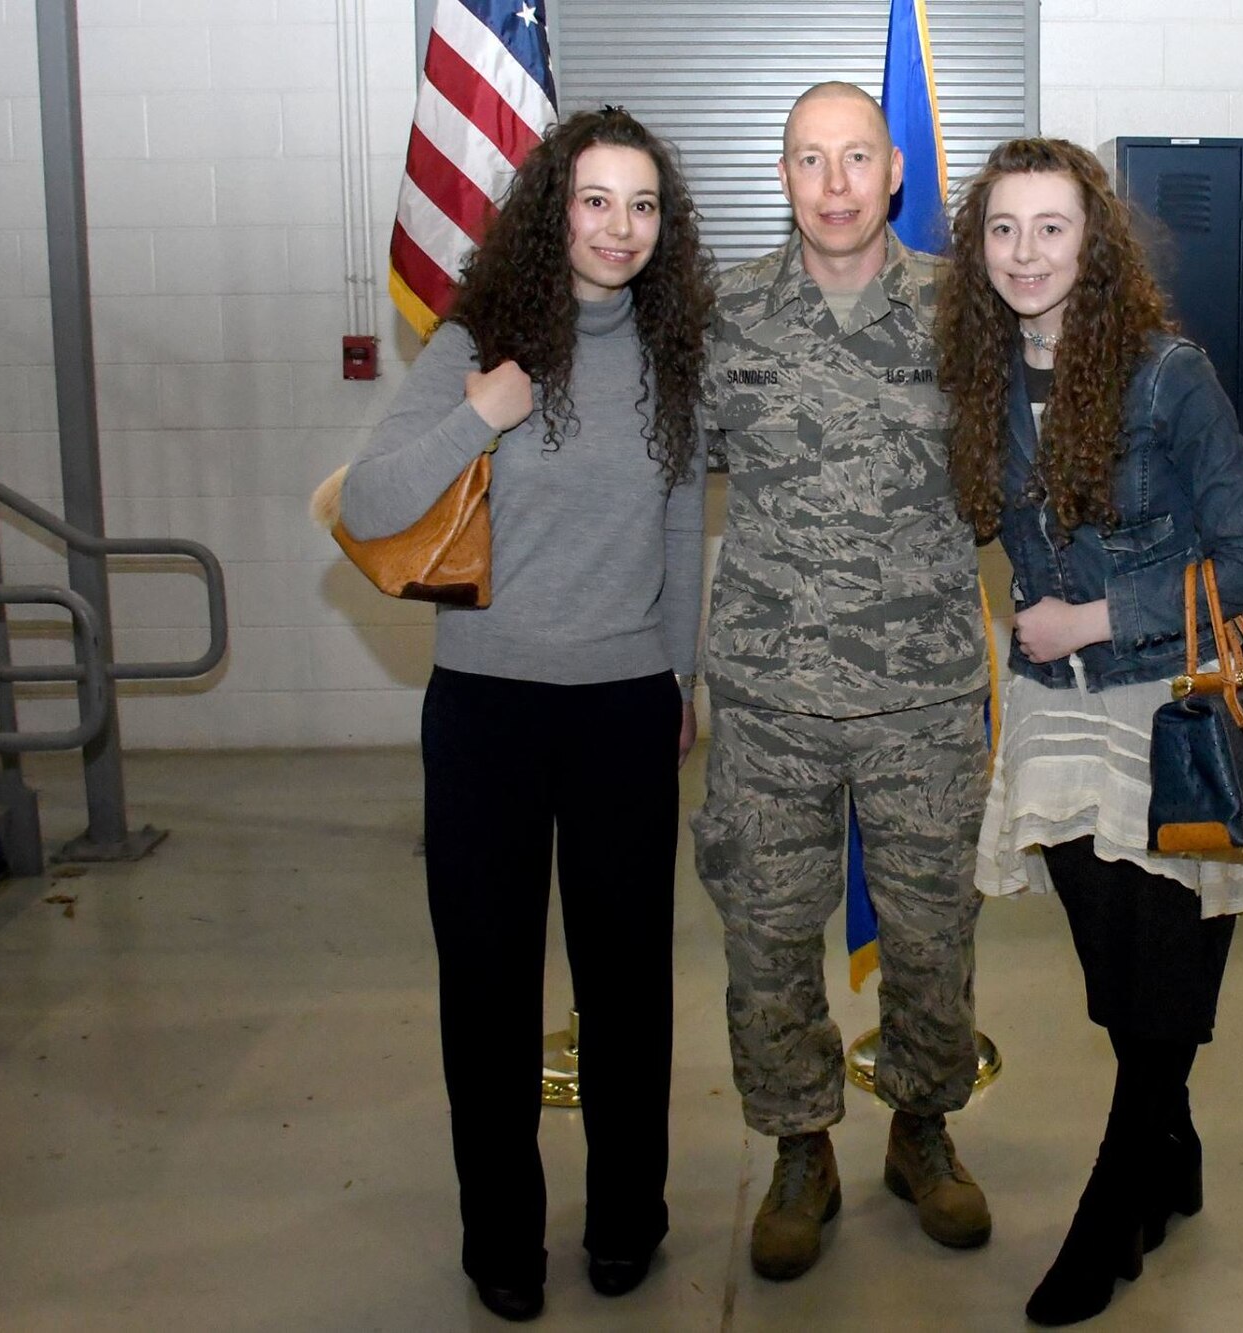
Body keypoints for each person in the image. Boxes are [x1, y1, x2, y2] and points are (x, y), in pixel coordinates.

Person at [339, 108, 712, 1323]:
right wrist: (482, 411)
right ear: (555, 210)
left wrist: (674, 681)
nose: (619, 227)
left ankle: (625, 1219)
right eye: (596, 200)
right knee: (487, 989)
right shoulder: (476, 340)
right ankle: (500, 1239)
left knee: (626, 988)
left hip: (619, 713)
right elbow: (374, 498)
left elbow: (672, 529)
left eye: (642, 205)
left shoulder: (671, 354)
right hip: (487, 712)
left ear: (665, 225)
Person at [938, 137, 1243, 1326]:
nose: (1025, 253)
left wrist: (1094, 609)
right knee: (1117, 981)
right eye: (1002, 229)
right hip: (1051, 719)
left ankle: (1106, 1218)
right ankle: (1169, 1154)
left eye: (1051, 228)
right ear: (977, 245)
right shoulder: (978, 380)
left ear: (1095, 245)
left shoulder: (1162, 374)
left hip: (1166, 709)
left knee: (1157, 985)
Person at [692, 81, 993, 1283]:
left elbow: (1005, 476)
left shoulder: (958, 315)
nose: (833, 185)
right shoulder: (723, 319)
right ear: (781, 177)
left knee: (931, 936)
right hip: (769, 701)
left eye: (855, 158)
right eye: (809, 161)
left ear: (894, 174)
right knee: (766, 939)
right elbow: (663, 486)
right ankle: (800, 1145)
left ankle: (921, 1129)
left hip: (922, 698)